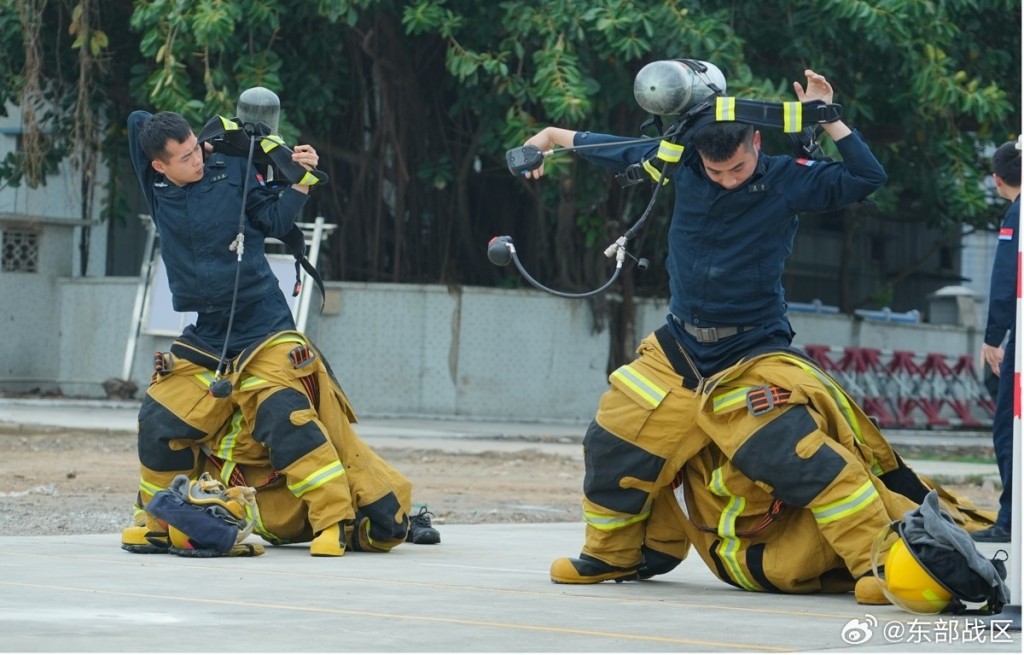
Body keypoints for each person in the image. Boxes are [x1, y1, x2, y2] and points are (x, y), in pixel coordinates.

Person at [521, 69, 994, 600]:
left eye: (738, 167)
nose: (726, 177)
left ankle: (876, 563)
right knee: (614, 437)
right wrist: (545, 141)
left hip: (753, 350)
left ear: (758, 142)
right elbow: (600, 145)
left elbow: (867, 177)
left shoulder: (788, 179)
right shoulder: (680, 166)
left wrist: (828, 116)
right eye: (715, 170)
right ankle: (614, 554)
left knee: (797, 454)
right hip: (679, 347)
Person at [122, 110, 439, 557]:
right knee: (158, 420)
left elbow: (272, 220)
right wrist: (220, 131)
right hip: (208, 335)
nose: (197, 157)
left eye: (197, 146)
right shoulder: (155, 191)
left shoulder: (231, 167)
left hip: (265, 324)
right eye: (185, 155)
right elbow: (137, 121)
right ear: (160, 166)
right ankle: (155, 518)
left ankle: (334, 521)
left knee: (283, 414)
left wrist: (300, 177)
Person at [974, 140, 1021, 543]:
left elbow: (1007, 275)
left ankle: (1012, 519)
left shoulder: (1017, 213)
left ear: (997, 179)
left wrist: (993, 337)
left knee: (1010, 426)